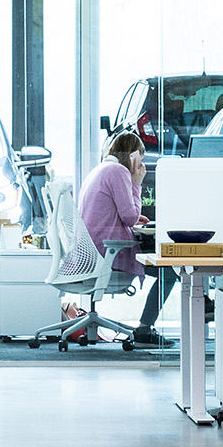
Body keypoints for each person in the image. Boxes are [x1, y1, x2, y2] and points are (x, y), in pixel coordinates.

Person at [78, 132, 169, 346]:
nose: (141, 165)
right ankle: (145, 329)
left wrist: (134, 216)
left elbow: (117, 213)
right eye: (141, 159)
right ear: (133, 156)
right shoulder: (117, 171)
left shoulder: (101, 168)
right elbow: (128, 216)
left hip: (93, 251)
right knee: (170, 271)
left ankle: (147, 327)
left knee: (166, 270)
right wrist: (136, 183)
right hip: (107, 254)